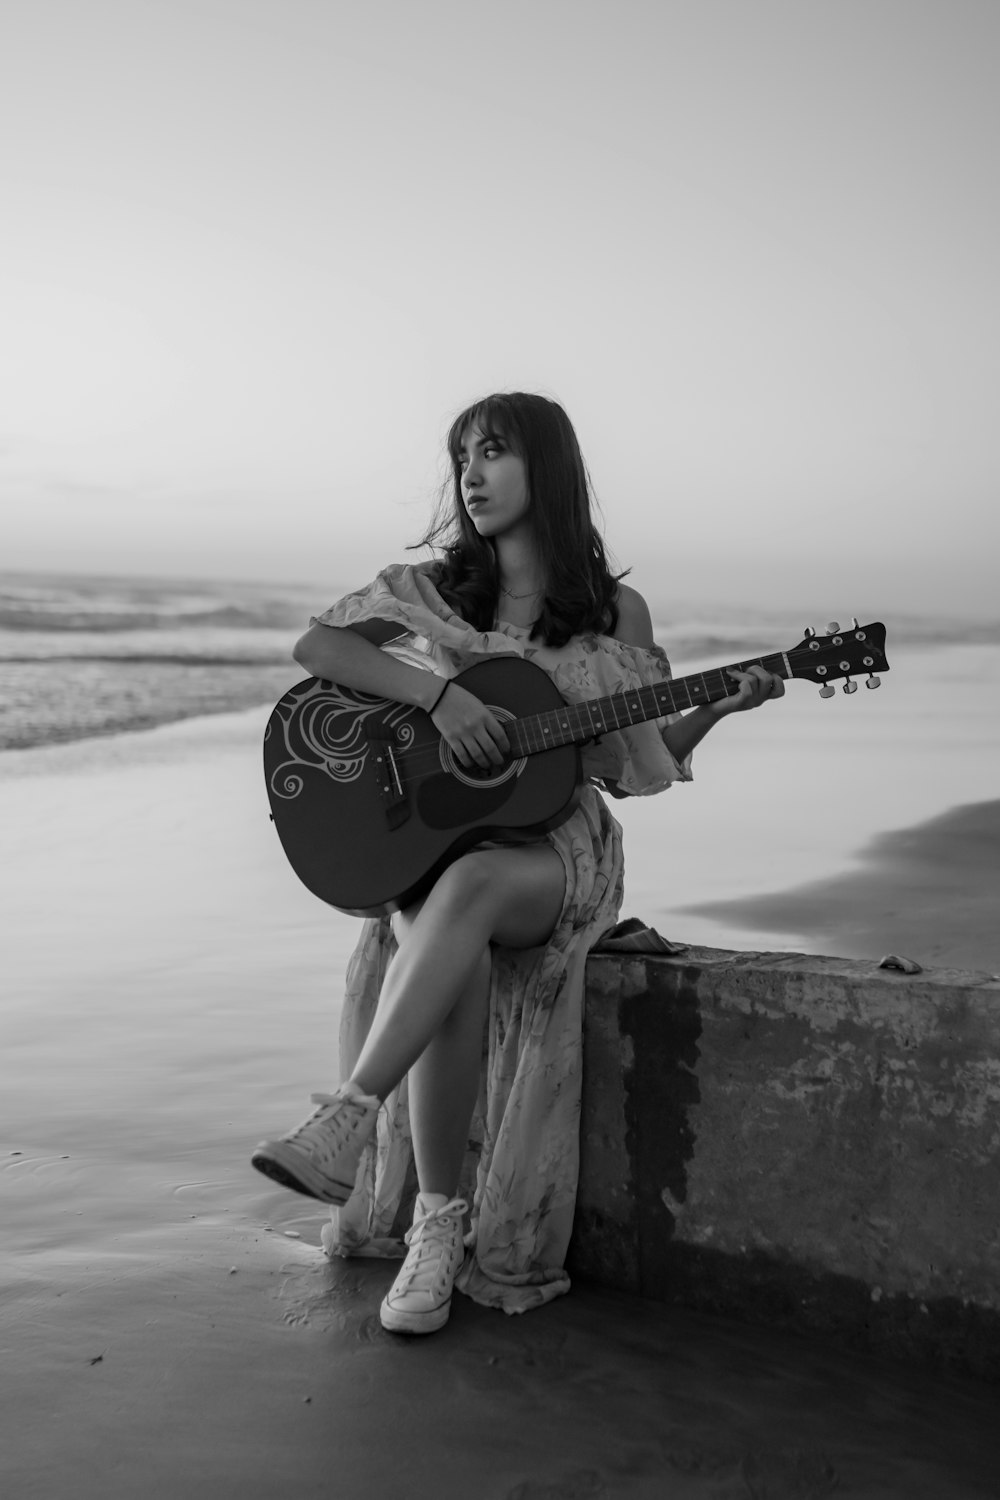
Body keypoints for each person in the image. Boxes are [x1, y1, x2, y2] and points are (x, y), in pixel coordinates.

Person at [251, 391, 784, 1335]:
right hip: (453, 847)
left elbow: (633, 764)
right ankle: (436, 1229)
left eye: (493, 452)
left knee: (471, 886)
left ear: (548, 467)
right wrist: (443, 694)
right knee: (447, 904)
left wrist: (717, 709)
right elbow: (317, 646)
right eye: (463, 456)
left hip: (554, 854)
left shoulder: (613, 609)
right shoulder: (437, 591)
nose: (472, 474)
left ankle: (350, 1114)